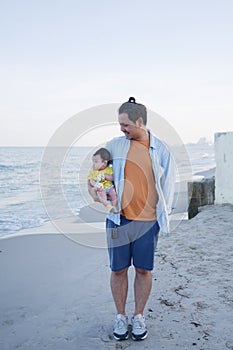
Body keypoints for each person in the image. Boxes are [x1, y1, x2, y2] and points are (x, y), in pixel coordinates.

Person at [104, 97, 176, 341]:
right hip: (118, 221)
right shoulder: (114, 145)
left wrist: (164, 216)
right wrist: (97, 191)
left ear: (140, 121)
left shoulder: (161, 149)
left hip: (147, 223)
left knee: (144, 270)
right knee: (118, 270)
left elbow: (169, 184)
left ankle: (138, 315)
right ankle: (120, 316)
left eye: (125, 125)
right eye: (119, 124)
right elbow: (98, 174)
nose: (121, 129)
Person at [87, 147, 117, 213]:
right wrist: (95, 184)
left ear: (104, 163)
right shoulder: (93, 172)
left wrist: (106, 176)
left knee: (113, 194)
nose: (93, 164)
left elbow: (112, 178)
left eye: (96, 162)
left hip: (109, 187)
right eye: (93, 162)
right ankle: (108, 206)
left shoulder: (108, 170)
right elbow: (91, 180)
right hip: (101, 188)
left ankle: (114, 207)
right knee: (102, 198)